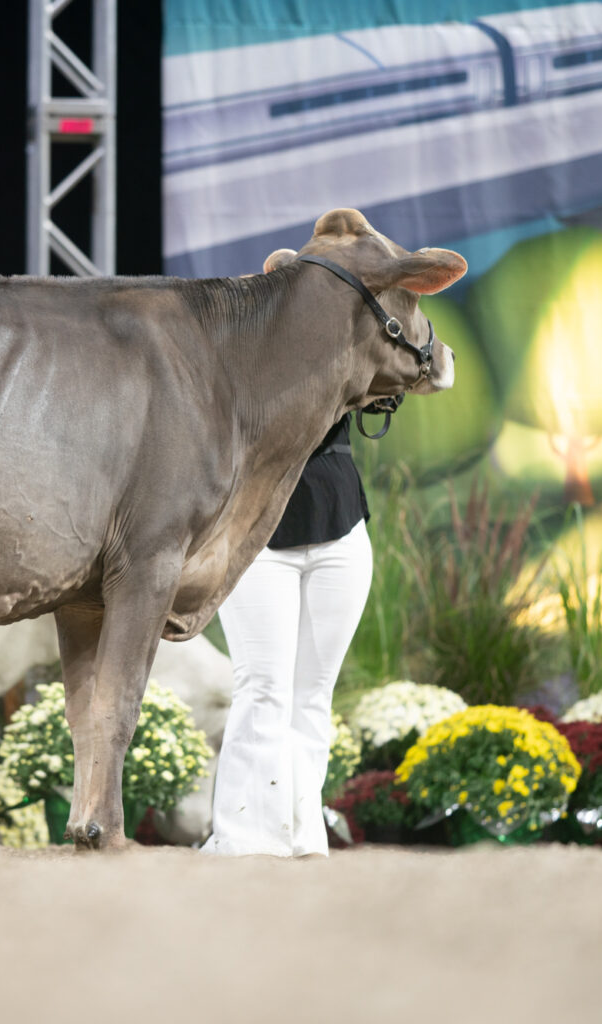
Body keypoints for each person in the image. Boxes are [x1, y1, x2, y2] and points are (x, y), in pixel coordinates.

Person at [202, 255, 374, 858]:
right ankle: (243, 837)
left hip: (341, 530)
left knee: (312, 694)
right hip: (257, 539)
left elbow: (411, 372)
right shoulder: (240, 360)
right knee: (263, 688)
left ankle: (303, 837)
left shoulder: (344, 351)